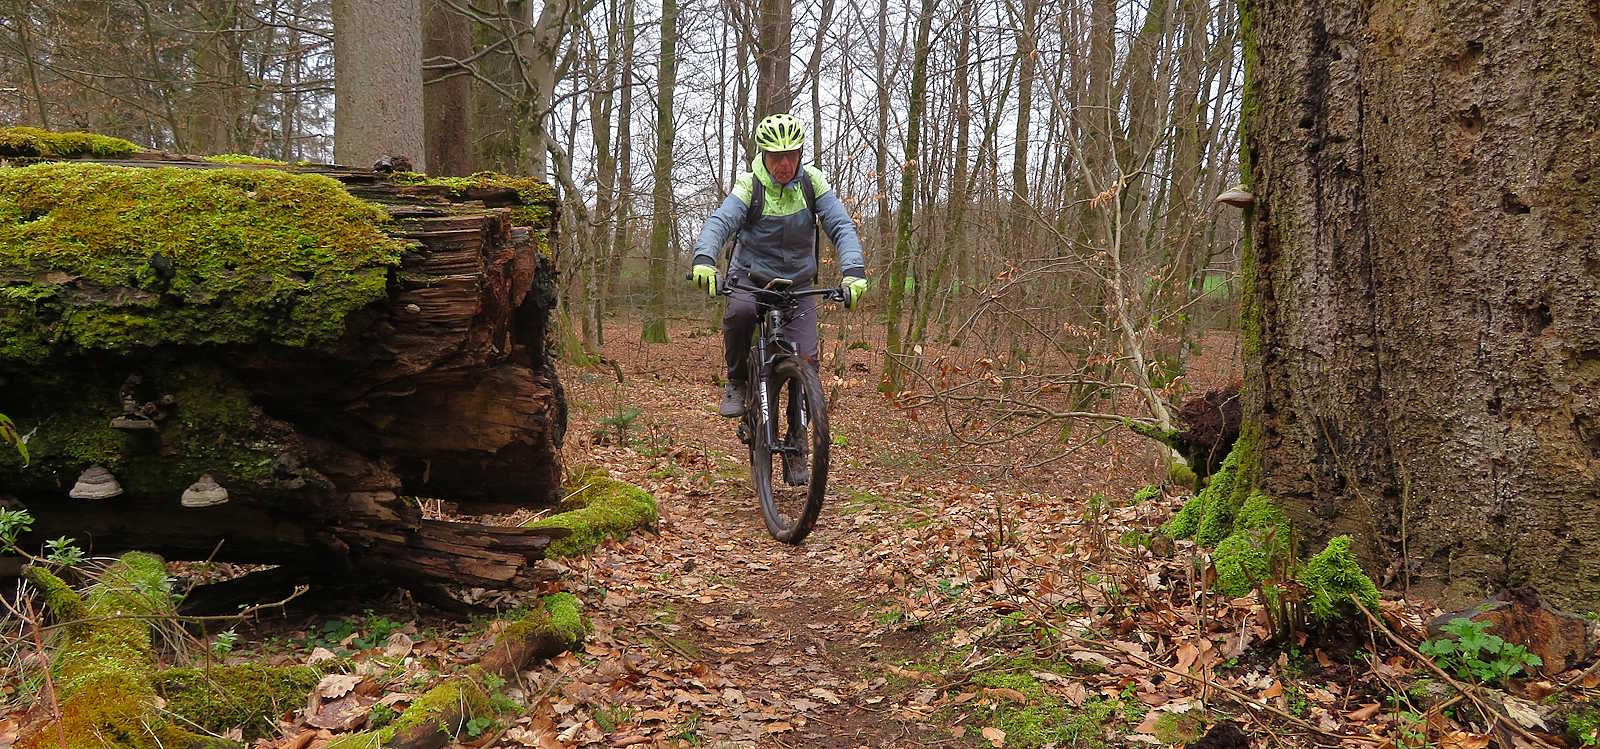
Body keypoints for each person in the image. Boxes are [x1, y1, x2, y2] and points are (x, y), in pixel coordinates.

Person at [689, 113, 869, 417]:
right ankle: (737, 381)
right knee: (740, 313)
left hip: (797, 282)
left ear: (800, 153)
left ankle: (800, 422)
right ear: (764, 155)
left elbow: (840, 225)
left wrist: (853, 272)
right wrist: (704, 259)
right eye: (776, 156)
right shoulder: (750, 185)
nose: (785, 164)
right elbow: (720, 222)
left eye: (791, 155)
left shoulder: (812, 182)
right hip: (750, 277)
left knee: (808, 357)